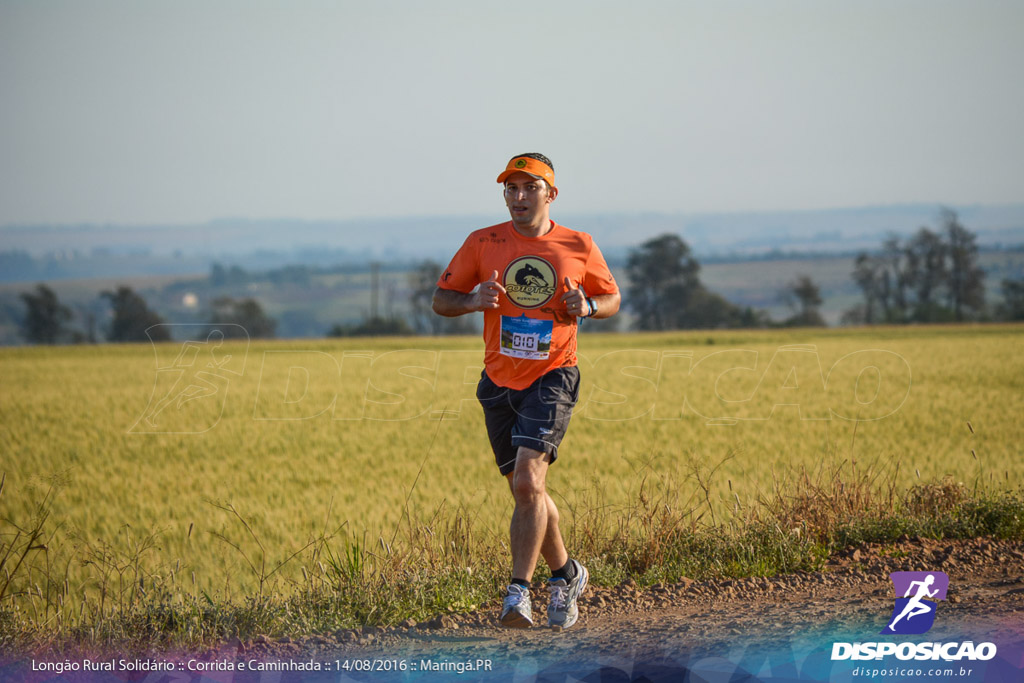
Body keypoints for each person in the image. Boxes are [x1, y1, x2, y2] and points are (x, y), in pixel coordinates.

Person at [432, 153, 621, 630]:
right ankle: (567, 574)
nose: (518, 197)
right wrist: (474, 300)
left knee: (527, 483)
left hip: (554, 374)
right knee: (527, 493)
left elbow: (612, 298)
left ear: (550, 194)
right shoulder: (483, 241)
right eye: (510, 189)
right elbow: (441, 299)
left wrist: (590, 305)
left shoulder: (579, 244)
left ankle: (519, 593)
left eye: (529, 188)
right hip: (498, 380)